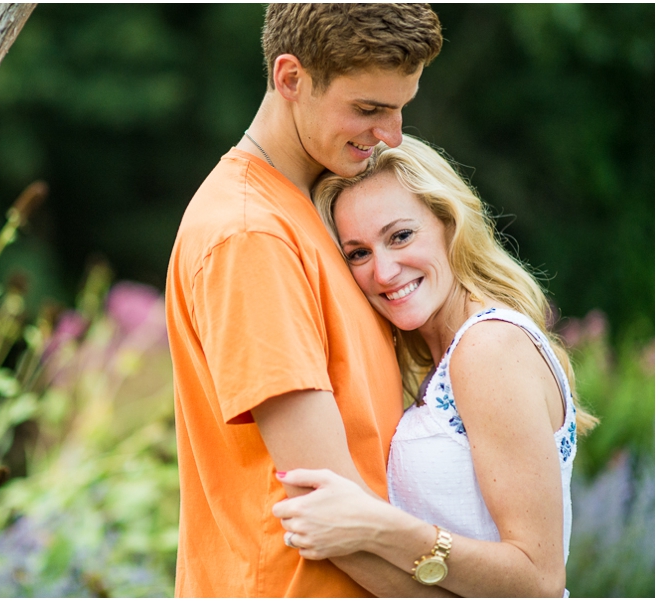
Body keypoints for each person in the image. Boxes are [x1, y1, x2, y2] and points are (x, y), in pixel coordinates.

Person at [165, 4, 443, 597]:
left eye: (399, 109)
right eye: (369, 109)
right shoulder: (250, 235)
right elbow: (325, 500)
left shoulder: (316, 209)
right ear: (290, 79)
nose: (391, 136)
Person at [272, 134, 598, 597]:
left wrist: (377, 527)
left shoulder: (490, 346)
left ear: (449, 223)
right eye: (359, 253)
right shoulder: (447, 359)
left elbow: (538, 582)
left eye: (400, 236)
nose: (383, 272)